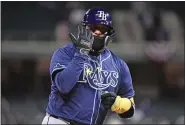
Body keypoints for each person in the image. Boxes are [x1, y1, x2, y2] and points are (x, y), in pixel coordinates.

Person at [42, 7, 135, 125]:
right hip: (60, 121)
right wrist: (81, 54)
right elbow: (63, 85)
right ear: (83, 29)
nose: (96, 33)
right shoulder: (65, 53)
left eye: (101, 29)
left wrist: (118, 104)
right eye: (92, 28)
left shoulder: (119, 65)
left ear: (109, 33)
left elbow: (130, 109)